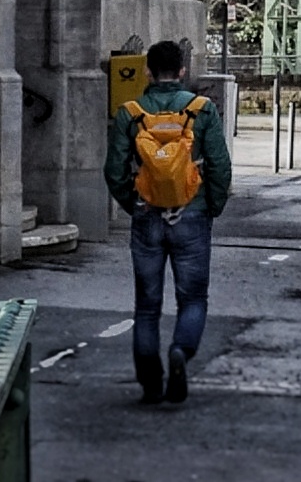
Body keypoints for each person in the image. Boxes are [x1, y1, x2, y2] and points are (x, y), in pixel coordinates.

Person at [104, 40, 231, 405]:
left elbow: (114, 170)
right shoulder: (201, 108)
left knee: (147, 305)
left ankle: (150, 382)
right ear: (182, 71)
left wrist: (135, 205)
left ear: (146, 71)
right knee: (192, 298)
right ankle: (181, 350)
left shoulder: (131, 111)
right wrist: (212, 205)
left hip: (147, 215)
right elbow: (220, 166)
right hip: (193, 214)